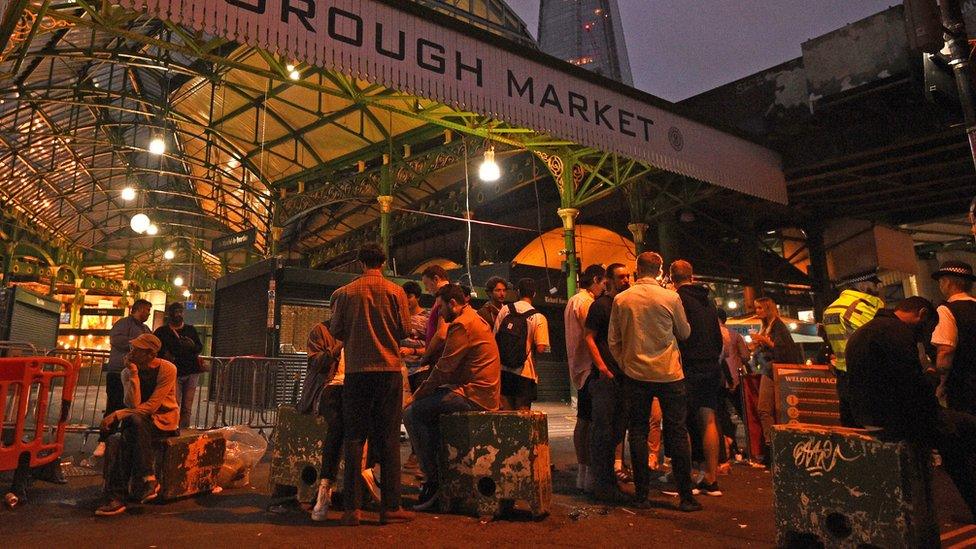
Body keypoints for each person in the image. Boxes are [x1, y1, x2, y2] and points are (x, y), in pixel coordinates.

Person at [847, 296, 976, 519]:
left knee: (954, 427)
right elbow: (913, 389)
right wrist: (932, 377)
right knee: (960, 432)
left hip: (866, 414)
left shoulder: (863, 332)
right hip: (896, 419)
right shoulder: (897, 334)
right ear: (922, 315)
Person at [608, 252, 700, 512]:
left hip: (635, 375)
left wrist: (625, 363)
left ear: (637, 270)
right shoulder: (671, 297)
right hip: (669, 373)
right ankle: (685, 497)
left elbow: (613, 340)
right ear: (660, 271)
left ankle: (641, 496)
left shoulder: (621, 299)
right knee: (677, 431)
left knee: (637, 431)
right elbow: (684, 332)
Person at [328, 242, 413, 526]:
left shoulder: (345, 293)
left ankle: (353, 509)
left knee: (354, 438)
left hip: (357, 373)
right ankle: (390, 507)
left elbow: (337, 330)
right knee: (389, 439)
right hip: (388, 371)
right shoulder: (396, 292)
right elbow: (404, 330)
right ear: (384, 263)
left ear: (360, 263)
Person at [404, 284, 502, 511]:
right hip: (481, 391)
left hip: (475, 395)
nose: (438, 313)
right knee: (430, 409)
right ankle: (445, 477)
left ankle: (433, 483)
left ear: (453, 304)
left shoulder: (461, 325)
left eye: (440, 308)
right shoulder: (474, 319)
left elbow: (444, 369)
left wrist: (418, 394)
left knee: (412, 413)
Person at [95, 333, 179, 516]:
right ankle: (148, 479)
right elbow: (134, 404)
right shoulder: (127, 371)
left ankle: (117, 497)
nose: (131, 353)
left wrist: (117, 414)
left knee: (132, 424)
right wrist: (133, 373)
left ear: (150, 354)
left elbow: (151, 407)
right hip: (138, 424)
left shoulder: (167, 369)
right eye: (131, 348)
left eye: (137, 350)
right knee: (121, 439)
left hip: (162, 422)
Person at [670, 260, 724, 497]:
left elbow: (677, 333)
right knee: (709, 419)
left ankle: (687, 478)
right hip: (711, 366)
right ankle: (712, 478)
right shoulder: (709, 301)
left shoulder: (677, 299)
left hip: (687, 366)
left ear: (673, 278)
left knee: (683, 424)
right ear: (692, 276)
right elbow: (718, 337)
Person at [584, 262, 631, 503]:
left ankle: (609, 482)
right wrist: (602, 367)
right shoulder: (601, 306)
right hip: (606, 377)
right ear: (608, 280)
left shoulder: (626, 304)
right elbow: (589, 337)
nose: (626, 280)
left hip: (624, 376)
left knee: (617, 431)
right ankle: (601, 485)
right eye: (621, 277)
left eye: (628, 276)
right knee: (603, 431)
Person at [822, 272, 884, 427]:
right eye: (874, 284)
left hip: (843, 375)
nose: (878, 287)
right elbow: (880, 338)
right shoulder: (860, 307)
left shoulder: (831, 308)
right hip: (866, 376)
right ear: (862, 285)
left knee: (850, 427)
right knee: (873, 428)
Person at [564, 264, 605, 492]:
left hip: (578, 366)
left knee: (584, 420)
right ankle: (588, 473)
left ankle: (583, 472)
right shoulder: (586, 303)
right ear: (596, 279)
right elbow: (592, 335)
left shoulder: (572, 301)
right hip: (589, 366)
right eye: (603, 283)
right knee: (588, 421)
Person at [94, 299, 151, 457]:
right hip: (118, 371)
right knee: (114, 405)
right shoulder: (123, 323)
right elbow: (116, 339)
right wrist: (138, 344)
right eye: (147, 309)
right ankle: (103, 441)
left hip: (135, 374)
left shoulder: (146, 328)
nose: (148, 313)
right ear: (138, 309)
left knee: (131, 409)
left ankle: (124, 442)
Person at [752, 296, 803, 464]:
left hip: (774, 371)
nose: (757, 311)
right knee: (772, 410)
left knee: (764, 409)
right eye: (756, 308)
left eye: (760, 308)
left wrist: (763, 340)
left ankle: (771, 447)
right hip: (770, 370)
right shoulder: (768, 326)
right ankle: (775, 447)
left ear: (767, 309)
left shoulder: (777, 326)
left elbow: (782, 349)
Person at [494, 277, 550, 410]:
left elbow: (495, 336)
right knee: (523, 417)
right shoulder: (538, 317)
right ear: (534, 294)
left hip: (504, 371)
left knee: (507, 416)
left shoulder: (505, 310)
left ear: (518, 292)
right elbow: (541, 348)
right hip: (525, 373)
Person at [930, 260, 976, 414]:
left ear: (948, 282)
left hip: (964, 386)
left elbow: (946, 351)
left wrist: (941, 383)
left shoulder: (946, 310)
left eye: (941, 281)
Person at [153, 302, 203, 430]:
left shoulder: (190, 329)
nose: (179, 315)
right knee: (174, 403)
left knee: (187, 406)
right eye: (176, 312)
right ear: (170, 314)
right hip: (173, 372)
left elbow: (199, 347)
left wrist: (192, 346)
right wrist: (164, 355)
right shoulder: (162, 332)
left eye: (180, 312)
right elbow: (154, 350)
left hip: (191, 371)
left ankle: (183, 431)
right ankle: (172, 428)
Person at [717, 308, 749, 460]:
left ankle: (729, 445)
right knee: (743, 413)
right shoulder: (735, 335)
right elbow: (746, 356)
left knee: (722, 414)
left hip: (720, 380)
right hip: (735, 379)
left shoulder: (711, 334)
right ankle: (750, 447)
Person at [400, 281, 431, 392]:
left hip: (421, 369)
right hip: (402, 371)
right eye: (403, 297)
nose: (406, 300)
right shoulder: (398, 317)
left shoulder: (428, 317)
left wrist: (411, 351)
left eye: (409, 297)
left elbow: (432, 346)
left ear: (417, 297)